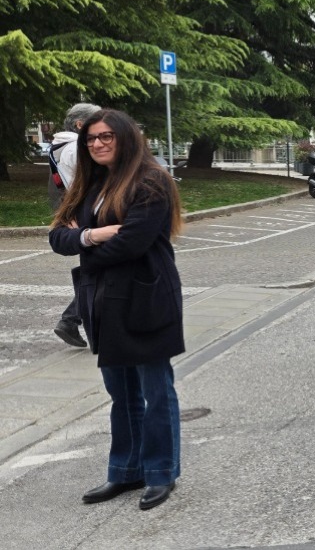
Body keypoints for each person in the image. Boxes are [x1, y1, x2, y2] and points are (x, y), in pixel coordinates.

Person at [48, 109, 185, 511]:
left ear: (126, 138)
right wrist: (90, 235)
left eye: (106, 136)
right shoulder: (91, 183)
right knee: (120, 394)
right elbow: (57, 236)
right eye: (91, 139)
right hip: (103, 301)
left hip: (146, 297)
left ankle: (161, 473)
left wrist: (83, 245)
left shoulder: (151, 182)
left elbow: (132, 243)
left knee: (155, 392)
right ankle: (126, 471)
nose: (98, 144)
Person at [48, 102, 102, 347]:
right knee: (97, 269)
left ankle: (71, 320)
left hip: (83, 212)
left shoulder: (63, 146)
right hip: (90, 214)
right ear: (81, 124)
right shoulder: (75, 149)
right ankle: (70, 320)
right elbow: (95, 181)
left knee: (96, 268)